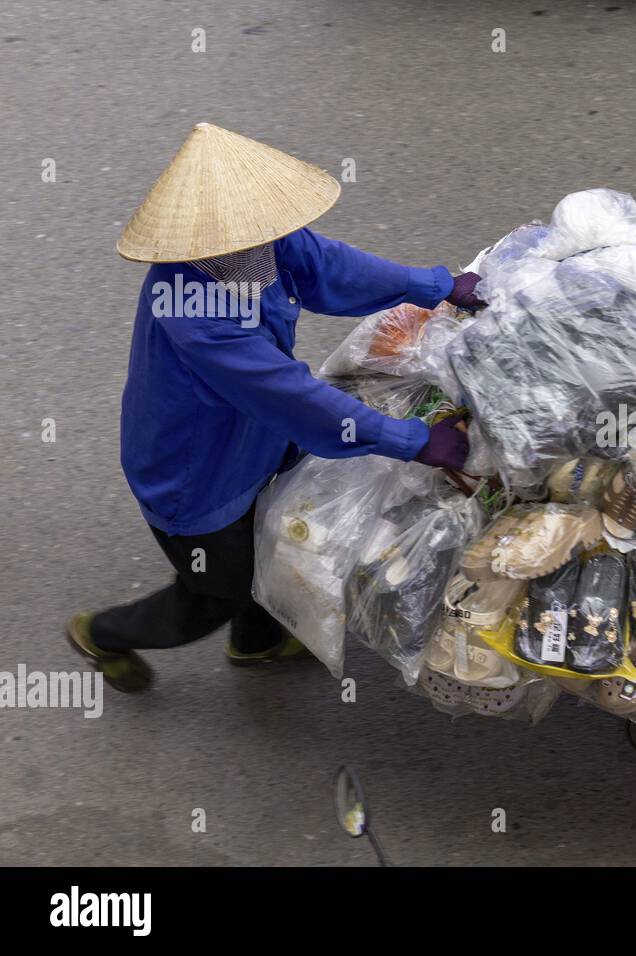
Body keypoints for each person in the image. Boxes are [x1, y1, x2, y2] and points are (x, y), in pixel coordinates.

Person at [66, 123, 482, 692]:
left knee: (271, 532)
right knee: (216, 588)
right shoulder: (199, 317)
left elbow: (332, 267)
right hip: (196, 472)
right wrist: (413, 440)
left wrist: (434, 285)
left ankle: (256, 642)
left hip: (254, 437)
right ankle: (105, 633)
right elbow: (290, 394)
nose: (271, 241)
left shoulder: (258, 244)